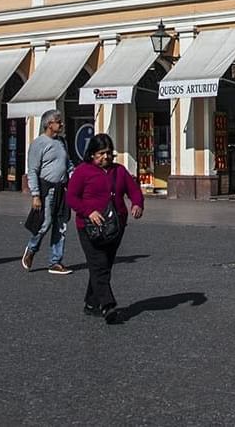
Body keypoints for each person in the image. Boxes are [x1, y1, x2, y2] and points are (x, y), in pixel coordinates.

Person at [65, 133, 144, 325]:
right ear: (91, 154)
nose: (105, 157)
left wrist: (137, 204)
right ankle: (107, 306)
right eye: (101, 154)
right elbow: (72, 198)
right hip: (89, 226)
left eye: (108, 153)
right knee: (99, 264)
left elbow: (133, 190)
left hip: (115, 226)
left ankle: (91, 303)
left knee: (104, 265)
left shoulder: (119, 171)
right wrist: (88, 211)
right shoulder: (82, 171)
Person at [22, 110, 72, 274]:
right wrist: (35, 195)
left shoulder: (62, 142)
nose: (62, 124)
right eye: (58, 121)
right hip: (47, 190)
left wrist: (75, 176)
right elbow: (32, 170)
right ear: (49, 124)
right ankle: (31, 249)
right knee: (45, 224)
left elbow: (68, 164)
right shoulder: (39, 144)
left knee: (61, 225)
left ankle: (55, 262)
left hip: (62, 189)